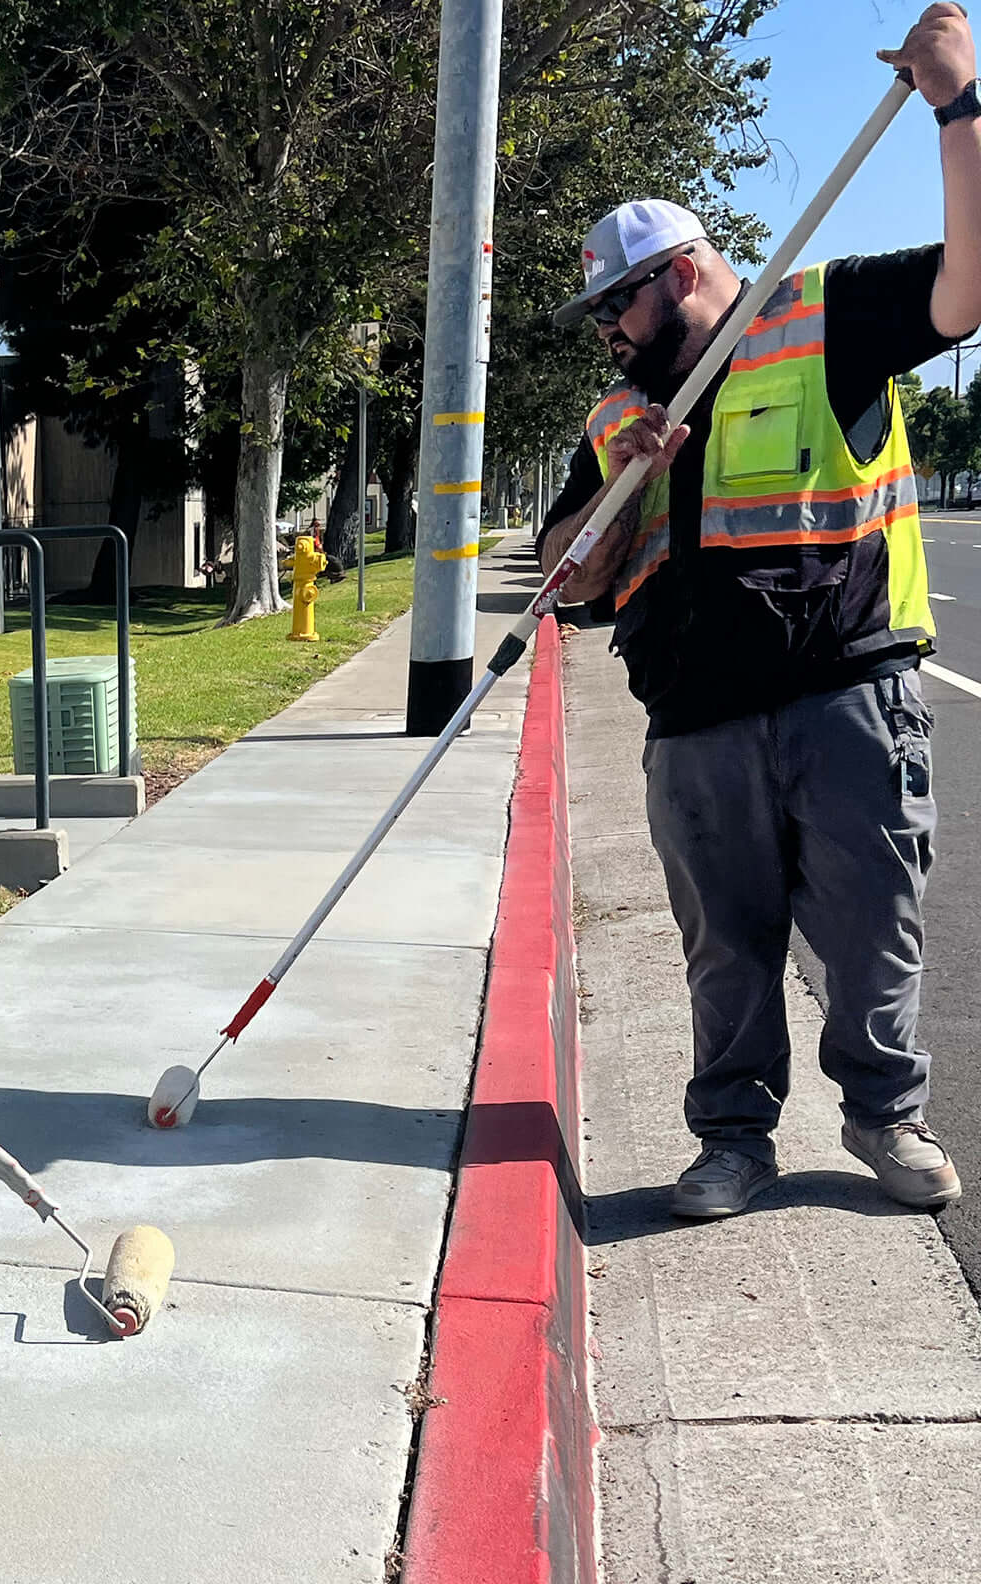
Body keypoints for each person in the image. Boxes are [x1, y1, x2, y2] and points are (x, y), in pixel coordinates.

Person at [539, 3, 981, 1218]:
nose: (614, 334)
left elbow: (964, 291)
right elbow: (565, 583)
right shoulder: (618, 416)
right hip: (696, 721)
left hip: (848, 694)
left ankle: (887, 1119)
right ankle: (733, 1138)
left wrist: (957, 108)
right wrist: (624, 490)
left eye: (623, 305)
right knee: (724, 953)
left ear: (683, 273)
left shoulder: (820, 319)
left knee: (870, 932)